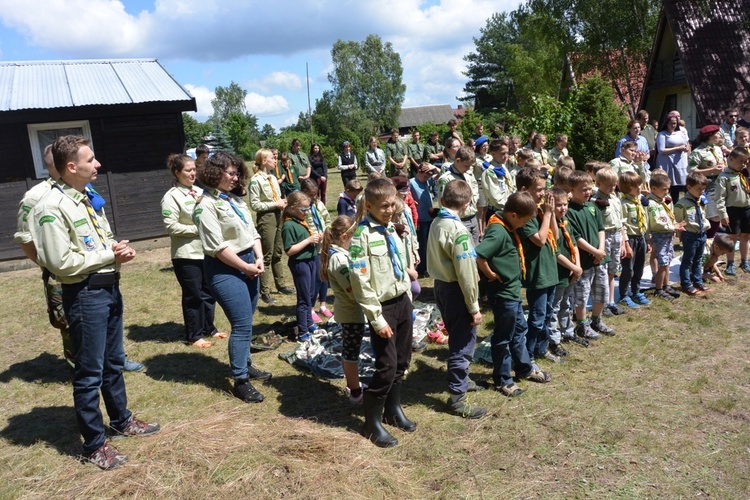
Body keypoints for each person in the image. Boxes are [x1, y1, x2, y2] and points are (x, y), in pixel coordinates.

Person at [30, 136, 159, 470]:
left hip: (107, 286)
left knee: (112, 363)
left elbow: (98, 240)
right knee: (89, 372)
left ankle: (120, 419)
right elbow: (60, 262)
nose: (98, 164)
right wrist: (108, 254)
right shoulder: (50, 207)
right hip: (85, 293)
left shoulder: (84, 197)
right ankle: (94, 444)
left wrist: (117, 249)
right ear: (72, 166)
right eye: (91, 159)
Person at [194, 152, 270, 403]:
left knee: (247, 320)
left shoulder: (234, 199)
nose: (236, 177)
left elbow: (253, 233)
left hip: (249, 262)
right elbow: (217, 247)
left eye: (238, 173)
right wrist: (245, 268)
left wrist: (258, 259)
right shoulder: (205, 205)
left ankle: (246, 364)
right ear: (215, 173)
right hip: (225, 269)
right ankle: (240, 381)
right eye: (230, 173)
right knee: (241, 325)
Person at [348, 178, 414, 448]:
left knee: (402, 361)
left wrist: (408, 298)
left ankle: (393, 409)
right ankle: (371, 422)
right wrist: (376, 318)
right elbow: (360, 282)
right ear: (368, 205)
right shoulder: (361, 236)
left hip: (402, 302)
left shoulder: (391, 229)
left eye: (392, 205)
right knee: (386, 366)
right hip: (383, 308)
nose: (389, 210)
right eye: (384, 206)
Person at [476, 192, 551, 396]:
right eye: (525, 221)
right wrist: (491, 274)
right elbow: (480, 255)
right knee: (503, 337)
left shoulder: (508, 226)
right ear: (514, 215)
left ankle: (524, 368)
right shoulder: (498, 231)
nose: (525, 225)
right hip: (503, 294)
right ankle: (503, 379)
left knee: (520, 330)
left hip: (513, 291)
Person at [427, 179, 486, 419]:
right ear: (468, 203)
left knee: (456, 336)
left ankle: (462, 380)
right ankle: (457, 398)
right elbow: (467, 273)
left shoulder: (437, 222)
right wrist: (474, 306)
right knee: (463, 343)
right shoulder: (459, 231)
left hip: (440, 286)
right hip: (457, 290)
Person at [15, 145, 75, 367]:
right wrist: (47, 265)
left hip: (91, 268)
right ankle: (80, 368)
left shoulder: (83, 188)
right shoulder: (35, 196)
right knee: (68, 321)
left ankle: (114, 359)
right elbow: (25, 237)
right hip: (60, 273)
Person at [161, 154, 225, 348]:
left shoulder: (199, 191)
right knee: (193, 295)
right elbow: (171, 226)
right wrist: (199, 229)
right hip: (186, 254)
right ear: (177, 172)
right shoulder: (171, 197)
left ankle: (209, 328)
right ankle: (194, 335)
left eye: (194, 169)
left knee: (208, 292)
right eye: (188, 170)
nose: (192, 173)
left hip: (205, 251)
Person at [514, 167, 560, 363]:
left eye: (544, 189)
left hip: (549, 269)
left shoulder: (540, 210)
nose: (543, 193)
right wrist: (548, 213)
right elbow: (540, 240)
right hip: (538, 272)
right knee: (537, 317)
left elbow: (554, 237)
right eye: (539, 189)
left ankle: (542, 348)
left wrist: (550, 215)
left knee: (548, 313)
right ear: (525, 190)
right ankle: (529, 354)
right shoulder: (525, 214)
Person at [320, 215, 367, 404]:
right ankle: (355, 391)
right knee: (351, 351)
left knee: (351, 349)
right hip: (351, 312)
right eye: (353, 236)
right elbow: (352, 289)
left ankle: (354, 385)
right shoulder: (338, 260)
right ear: (344, 236)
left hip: (352, 311)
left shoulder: (340, 254)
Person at [565, 170, 617, 340]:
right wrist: (594, 252)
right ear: (571, 189)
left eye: (589, 188)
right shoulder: (569, 211)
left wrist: (601, 251)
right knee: (582, 293)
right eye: (583, 189)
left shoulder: (592, 207)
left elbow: (601, 229)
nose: (587, 192)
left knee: (601, 289)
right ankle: (582, 323)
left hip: (600, 258)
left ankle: (597, 320)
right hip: (584, 260)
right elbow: (576, 237)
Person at [248, 148, 294, 305]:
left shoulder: (273, 178)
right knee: (266, 255)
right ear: (263, 161)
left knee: (278, 252)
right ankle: (265, 291)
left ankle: (281, 285)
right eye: (272, 158)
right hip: (267, 218)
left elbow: (278, 196)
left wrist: (283, 202)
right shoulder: (256, 180)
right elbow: (254, 204)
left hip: (278, 215)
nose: (276, 160)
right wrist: (275, 203)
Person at [547, 187, 583, 352]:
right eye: (558, 205)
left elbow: (574, 244)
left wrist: (578, 267)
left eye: (565, 204)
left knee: (566, 303)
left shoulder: (566, 221)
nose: (563, 208)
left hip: (571, 272)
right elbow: (556, 252)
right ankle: (554, 340)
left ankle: (568, 332)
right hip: (559, 273)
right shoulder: (549, 225)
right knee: (555, 306)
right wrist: (573, 268)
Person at [591, 167, 628, 316]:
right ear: (598, 183)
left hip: (617, 235)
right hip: (604, 236)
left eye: (614, 185)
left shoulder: (615, 199)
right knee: (602, 271)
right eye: (608, 185)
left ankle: (611, 301)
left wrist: (624, 241)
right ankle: (603, 303)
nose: (612, 188)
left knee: (613, 270)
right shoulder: (595, 201)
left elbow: (621, 221)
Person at [646, 173, 685, 301]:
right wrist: (673, 227)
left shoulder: (663, 201)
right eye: (664, 189)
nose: (667, 192)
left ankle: (666, 285)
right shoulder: (652, 204)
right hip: (660, 236)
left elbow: (669, 216)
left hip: (668, 235)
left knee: (667, 262)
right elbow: (656, 222)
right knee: (662, 264)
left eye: (668, 189)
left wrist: (675, 225)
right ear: (654, 188)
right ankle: (659, 289)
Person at [618, 171, 652, 308]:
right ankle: (624, 295)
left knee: (639, 267)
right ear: (627, 188)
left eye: (640, 185)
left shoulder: (639, 201)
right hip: (630, 239)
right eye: (635, 186)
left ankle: (636, 291)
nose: (639, 188)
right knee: (628, 269)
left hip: (640, 237)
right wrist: (625, 244)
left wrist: (647, 239)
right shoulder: (624, 204)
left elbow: (646, 220)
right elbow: (622, 225)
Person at [300, 179, 333, 321]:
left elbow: (327, 220)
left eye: (315, 194)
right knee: (315, 280)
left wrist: (325, 232)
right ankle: (311, 308)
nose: (314, 197)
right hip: (311, 245)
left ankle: (323, 305)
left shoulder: (318, 204)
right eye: (311, 195)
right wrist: (312, 235)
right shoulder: (302, 207)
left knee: (325, 276)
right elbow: (301, 225)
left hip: (323, 243)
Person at [714, 146, 750, 275]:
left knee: (745, 236)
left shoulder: (745, 174)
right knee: (732, 237)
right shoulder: (724, 177)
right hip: (732, 211)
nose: (743, 164)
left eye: (745, 162)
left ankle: (745, 261)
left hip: (747, 209)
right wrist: (723, 214)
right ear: (731, 159)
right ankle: (730, 263)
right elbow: (719, 198)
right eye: (741, 161)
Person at [674, 171, 711, 295]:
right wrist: (680, 236)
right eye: (698, 189)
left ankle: (698, 281)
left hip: (702, 234)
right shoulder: (681, 204)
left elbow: (704, 215)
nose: (701, 191)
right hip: (690, 235)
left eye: (703, 188)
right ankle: (686, 284)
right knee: (687, 261)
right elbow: (678, 221)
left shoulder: (702, 200)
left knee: (698, 259)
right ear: (689, 187)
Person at [688, 124, 727, 238]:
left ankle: (710, 237)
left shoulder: (718, 149)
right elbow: (691, 171)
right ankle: (706, 237)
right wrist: (712, 170)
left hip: (720, 183)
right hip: (706, 185)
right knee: (709, 213)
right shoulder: (698, 152)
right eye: (716, 134)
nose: (719, 136)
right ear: (709, 136)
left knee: (717, 213)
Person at [438, 145, 480, 244]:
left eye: (470, 166)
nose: (468, 168)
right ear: (458, 161)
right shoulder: (446, 179)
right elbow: (443, 204)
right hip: (460, 220)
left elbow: (474, 186)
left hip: (473, 217)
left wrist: (475, 199)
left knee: (475, 250)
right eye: (466, 165)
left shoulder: (468, 173)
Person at [409, 165, 437, 276]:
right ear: (419, 172)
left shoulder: (428, 180)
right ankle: (421, 268)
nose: (426, 179)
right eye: (424, 176)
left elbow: (440, 174)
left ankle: (429, 266)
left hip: (429, 216)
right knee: (422, 245)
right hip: (420, 218)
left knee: (430, 243)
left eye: (428, 177)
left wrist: (433, 167)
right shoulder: (411, 182)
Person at [656, 112, 690, 202]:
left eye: (674, 123)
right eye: (671, 123)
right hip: (667, 162)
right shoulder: (662, 134)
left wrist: (686, 148)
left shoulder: (681, 132)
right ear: (666, 123)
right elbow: (661, 150)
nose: (673, 125)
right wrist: (677, 148)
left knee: (681, 185)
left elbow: (686, 143)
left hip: (680, 162)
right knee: (670, 185)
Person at [481, 139, 514, 222]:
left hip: (508, 208)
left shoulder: (503, 167)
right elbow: (495, 198)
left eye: (507, 153)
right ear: (493, 154)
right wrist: (511, 205)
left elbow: (511, 186)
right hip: (497, 211)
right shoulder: (490, 172)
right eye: (503, 153)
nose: (506, 156)